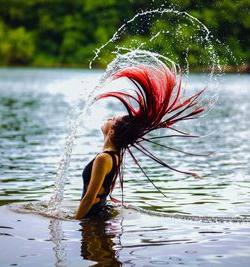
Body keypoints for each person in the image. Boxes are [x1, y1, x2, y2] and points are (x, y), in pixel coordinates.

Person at [75, 59, 206, 220]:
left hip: (93, 219)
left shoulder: (104, 158)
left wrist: (74, 223)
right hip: (99, 217)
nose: (108, 118)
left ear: (113, 133)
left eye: (112, 119)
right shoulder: (114, 155)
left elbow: (89, 198)